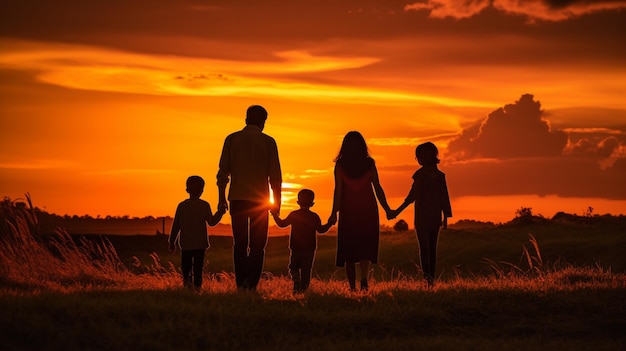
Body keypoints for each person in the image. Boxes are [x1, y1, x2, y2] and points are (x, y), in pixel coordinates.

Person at [217, 105, 282, 291]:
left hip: (237, 198)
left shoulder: (232, 139)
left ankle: (241, 283)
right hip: (260, 201)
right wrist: (276, 202)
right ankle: (251, 284)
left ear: (246, 120)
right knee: (258, 244)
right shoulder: (268, 142)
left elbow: (223, 174)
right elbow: (275, 177)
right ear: (263, 122)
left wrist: (221, 198)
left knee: (239, 243)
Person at [328, 131, 392, 291]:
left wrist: (334, 212)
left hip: (348, 211)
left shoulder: (341, 165)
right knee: (365, 246)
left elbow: (338, 190)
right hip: (368, 210)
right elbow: (378, 187)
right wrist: (387, 209)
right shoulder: (369, 163)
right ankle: (364, 278)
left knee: (348, 249)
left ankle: (352, 287)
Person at [388, 142, 452, 288]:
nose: (419, 159)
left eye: (420, 156)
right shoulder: (433, 176)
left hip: (426, 218)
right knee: (430, 249)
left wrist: (396, 212)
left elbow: (412, 197)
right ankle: (430, 280)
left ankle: (428, 280)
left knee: (426, 250)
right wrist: (445, 217)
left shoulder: (424, 176)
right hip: (430, 218)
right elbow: (443, 198)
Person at [271, 189, 333, 293]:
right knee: (306, 270)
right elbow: (321, 230)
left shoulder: (294, 214)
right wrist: (330, 223)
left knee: (293, 267)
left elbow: (281, 224)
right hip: (309, 248)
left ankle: (296, 280)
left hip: (295, 247)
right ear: (312, 203)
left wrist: (275, 215)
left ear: (298, 202)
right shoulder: (314, 216)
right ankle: (303, 289)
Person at [168, 175, 225, 289]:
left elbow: (176, 226)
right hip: (200, 244)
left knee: (186, 269)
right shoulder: (204, 205)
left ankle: (187, 288)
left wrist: (171, 241)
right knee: (198, 269)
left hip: (186, 244)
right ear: (202, 190)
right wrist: (220, 213)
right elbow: (212, 222)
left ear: (187, 190)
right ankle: (198, 289)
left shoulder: (182, 206)